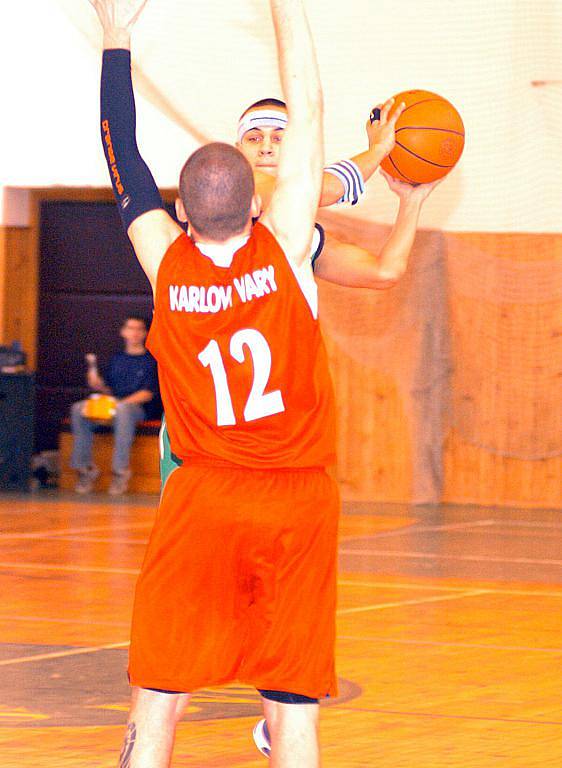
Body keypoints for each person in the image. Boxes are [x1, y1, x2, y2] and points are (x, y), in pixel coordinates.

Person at [91, 0, 341, 765]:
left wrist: (115, 38)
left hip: (200, 496)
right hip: (296, 498)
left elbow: (121, 157)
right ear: (254, 203)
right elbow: (310, 110)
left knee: (158, 698)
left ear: (182, 213)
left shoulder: (166, 261)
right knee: (293, 708)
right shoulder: (290, 247)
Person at [70, 315, 159, 495]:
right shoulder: (116, 359)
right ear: (123, 332)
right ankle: (85, 468)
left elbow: (147, 393)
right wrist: (98, 385)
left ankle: (120, 471)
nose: (134, 333)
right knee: (79, 409)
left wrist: (117, 404)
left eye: (138, 329)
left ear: (145, 333)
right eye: (130, 328)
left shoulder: (150, 360)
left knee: (123, 410)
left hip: (136, 409)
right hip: (113, 407)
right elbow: (109, 390)